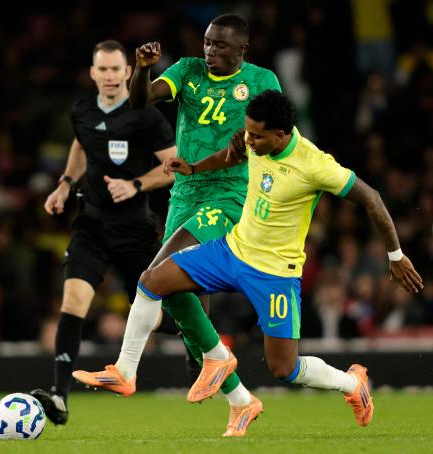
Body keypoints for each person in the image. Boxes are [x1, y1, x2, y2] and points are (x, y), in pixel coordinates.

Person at [74, 90, 424, 432]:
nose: (249, 140)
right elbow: (233, 154)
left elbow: (373, 199)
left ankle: (351, 384)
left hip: (274, 274)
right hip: (231, 250)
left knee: (283, 368)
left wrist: (396, 256)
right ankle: (126, 371)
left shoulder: (315, 164)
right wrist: (194, 167)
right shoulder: (257, 137)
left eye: (257, 136)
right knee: (151, 281)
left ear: (281, 135)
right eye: (248, 132)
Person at [121, 13, 281, 436]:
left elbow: (272, 138)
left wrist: (241, 148)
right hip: (185, 192)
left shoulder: (262, 81)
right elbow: (140, 101)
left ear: (241, 50)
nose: (210, 51)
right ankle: (241, 400)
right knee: (171, 293)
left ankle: (127, 369)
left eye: (220, 46)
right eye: (208, 43)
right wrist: (142, 68)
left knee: (156, 276)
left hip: (229, 192)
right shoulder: (188, 70)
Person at [30, 40, 178, 425]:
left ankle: (201, 354)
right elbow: (81, 146)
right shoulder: (82, 109)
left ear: (128, 73)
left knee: (160, 316)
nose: (111, 76)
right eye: (104, 70)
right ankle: (59, 397)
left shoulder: (145, 114)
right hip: (92, 224)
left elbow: (174, 165)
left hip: (135, 229)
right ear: (93, 73)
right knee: (72, 302)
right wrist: (64, 184)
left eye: (117, 69)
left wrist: (136, 185)